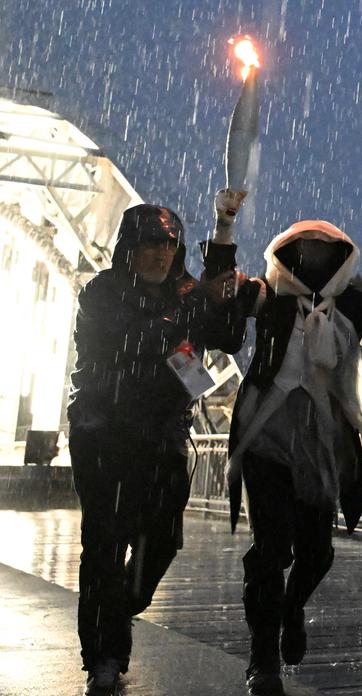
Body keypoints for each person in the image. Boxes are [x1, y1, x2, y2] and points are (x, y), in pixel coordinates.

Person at [214, 202, 362, 696]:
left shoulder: (356, 303)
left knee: (317, 553)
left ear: (341, 259)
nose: (314, 261)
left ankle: (292, 607)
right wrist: (224, 225)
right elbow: (221, 289)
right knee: (271, 549)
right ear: (287, 255)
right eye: (305, 252)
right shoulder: (267, 293)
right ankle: (263, 661)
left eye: (324, 253)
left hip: (321, 445)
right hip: (268, 439)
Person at [66, 204, 242, 696]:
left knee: (163, 537)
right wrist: (197, 300)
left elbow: (227, 335)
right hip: (105, 435)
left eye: (169, 244)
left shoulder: (183, 294)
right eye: (150, 243)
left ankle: (117, 606)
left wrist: (226, 272)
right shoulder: (102, 293)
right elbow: (135, 339)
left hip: (162, 439)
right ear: (129, 248)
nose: (161, 254)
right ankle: (104, 657)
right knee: (105, 542)